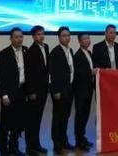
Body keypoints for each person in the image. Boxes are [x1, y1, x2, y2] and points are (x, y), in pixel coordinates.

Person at [0, 27, 27, 156]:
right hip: (9, 93)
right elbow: (2, 76)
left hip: (21, 91)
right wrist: (4, 95)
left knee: (18, 122)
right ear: (11, 38)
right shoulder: (4, 53)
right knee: (5, 123)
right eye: (16, 37)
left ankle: (14, 148)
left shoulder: (25, 51)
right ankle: (3, 149)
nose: (19, 39)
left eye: (21, 36)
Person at [49, 26, 75, 155]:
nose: (67, 38)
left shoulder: (70, 50)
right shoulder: (55, 52)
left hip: (69, 89)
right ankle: (57, 145)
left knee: (65, 117)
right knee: (57, 118)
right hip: (59, 91)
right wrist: (56, 91)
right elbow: (53, 73)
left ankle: (64, 141)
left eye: (68, 35)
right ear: (59, 38)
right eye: (64, 36)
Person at [24, 25, 49, 156]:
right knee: (31, 120)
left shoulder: (46, 47)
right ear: (33, 37)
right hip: (34, 91)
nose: (41, 36)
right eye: (38, 34)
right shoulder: (31, 51)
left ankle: (36, 144)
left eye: (42, 34)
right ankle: (30, 147)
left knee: (38, 119)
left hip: (44, 90)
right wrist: (31, 92)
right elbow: (29, 73)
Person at [73, 33, 95, 151]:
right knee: (80, 115)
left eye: (88, 38)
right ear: (80, 41)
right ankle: (78, 140)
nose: (87, 41)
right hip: (81, 91)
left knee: (85, 115)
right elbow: (80, 73)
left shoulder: (89, 53)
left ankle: (82, 137)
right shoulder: (78, 55)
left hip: (88, 89)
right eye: (84, 39)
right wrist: (92, 72)